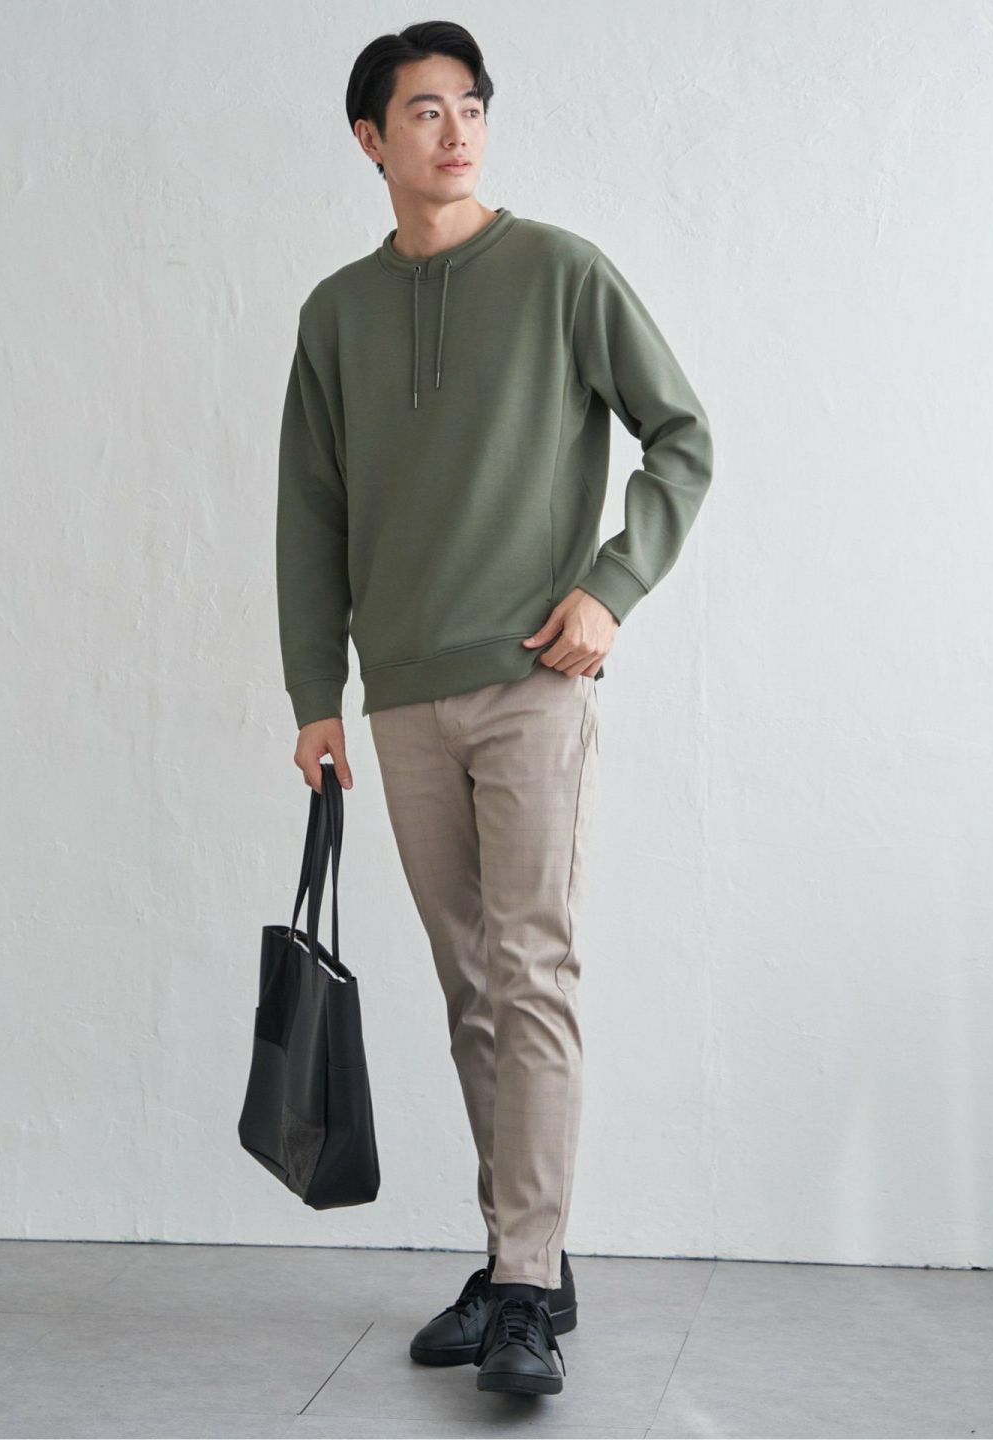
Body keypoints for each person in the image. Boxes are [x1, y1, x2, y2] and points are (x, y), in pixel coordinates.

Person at [275, 19, 714, 1399]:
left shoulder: (560, 272)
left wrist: (612, 588)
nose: (456, 129)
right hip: (402, 700)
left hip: (533, 681)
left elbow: (682, 437)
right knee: (472, 985)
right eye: (424, 111)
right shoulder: (336, 314)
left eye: (471, 105)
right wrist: (315, 692)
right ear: (370, 139)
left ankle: (522, 1283)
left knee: (531, 970)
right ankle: (528, 1258)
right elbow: (310, 513)